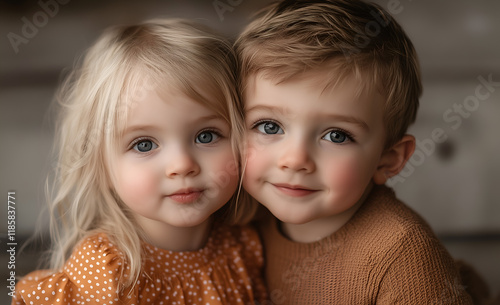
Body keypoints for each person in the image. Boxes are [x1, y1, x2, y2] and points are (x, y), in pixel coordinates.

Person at [234, 0, 476, 303]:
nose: (295, 160)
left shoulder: (402, 257)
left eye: (336, 135)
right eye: (269, 127)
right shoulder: (241, 219)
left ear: (389, 160)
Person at [13, 19, 267, 305]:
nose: (182, 165)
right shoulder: (105, 271)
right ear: (101, 168)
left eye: (206, 136)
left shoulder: (244, 245)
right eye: (144, 144)